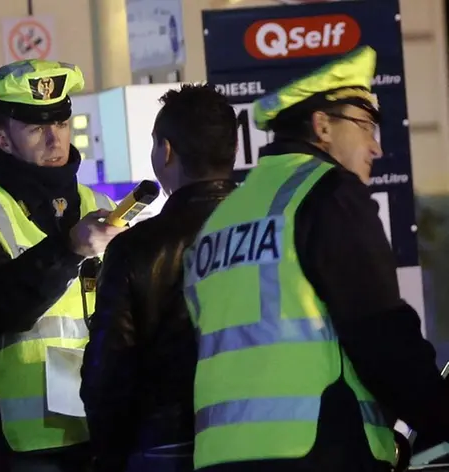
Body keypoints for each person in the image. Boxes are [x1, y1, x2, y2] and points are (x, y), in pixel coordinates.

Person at [183, 45, 449, 472]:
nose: (376, 147)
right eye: (365, 126)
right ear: (322, 126)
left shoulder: (224, 217)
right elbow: (378, 329)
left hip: (222, 455)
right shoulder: (327, 191)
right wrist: (439, 418)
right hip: (320, 446)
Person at [0, 59, 123, 471]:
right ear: (3, 139)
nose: (55, 140)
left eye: (62, 123)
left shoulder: (99, 207)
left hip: (102, 430)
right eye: (36, 129)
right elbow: (0, 311)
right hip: (15, 446)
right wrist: (69, 250)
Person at [81, 84, 238, 472]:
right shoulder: (270, 231)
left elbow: (109, 373)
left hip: (164, 444)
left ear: (165, 151)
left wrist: (108, 452)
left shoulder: (136, 248)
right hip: (252, 435)